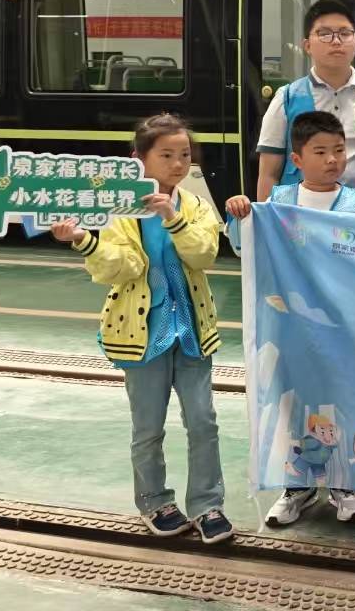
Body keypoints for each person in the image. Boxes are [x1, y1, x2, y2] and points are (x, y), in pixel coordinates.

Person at [50, 114, 231, 544]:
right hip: (141, 335)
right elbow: (122, 268)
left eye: (184, 154)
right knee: (148, 428)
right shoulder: (121, 212)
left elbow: (204, 255)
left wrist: (173, 218)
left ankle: (208, 505)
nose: (178, 164)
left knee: (203, 422)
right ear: (139, 159)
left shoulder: (195, 205)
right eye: (166, 155)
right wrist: (84, 241)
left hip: (192, 332)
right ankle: (154, 502)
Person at [226, 110, 355, 527]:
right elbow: (244, 246)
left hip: (341, 326)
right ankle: (296, 486)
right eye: (320, 151)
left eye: (339, 150)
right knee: (291, 402)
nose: (332, 159)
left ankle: (344, 483)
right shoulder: (278, 202)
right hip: (288, 326)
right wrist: (240, 215)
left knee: (341, 400)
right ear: (296, 159)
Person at [255, 0, 355, 213]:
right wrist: (269, 223)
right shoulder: (287, 98)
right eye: (325, 34)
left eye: (345, 33)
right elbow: (269, 173)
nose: (336, 41)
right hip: (300, 218)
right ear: (307, 45)